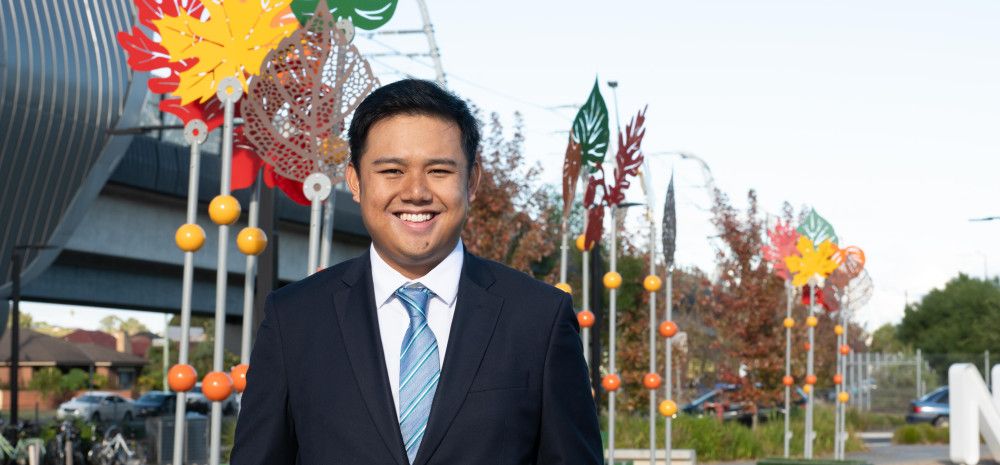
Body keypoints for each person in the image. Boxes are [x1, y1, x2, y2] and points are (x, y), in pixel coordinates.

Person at [231, 79, 601, 465]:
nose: (416, 193)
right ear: (355, 181)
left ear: (471, 180)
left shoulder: (539, 319)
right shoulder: (294, 319)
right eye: (392, 170)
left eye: (439, 171)